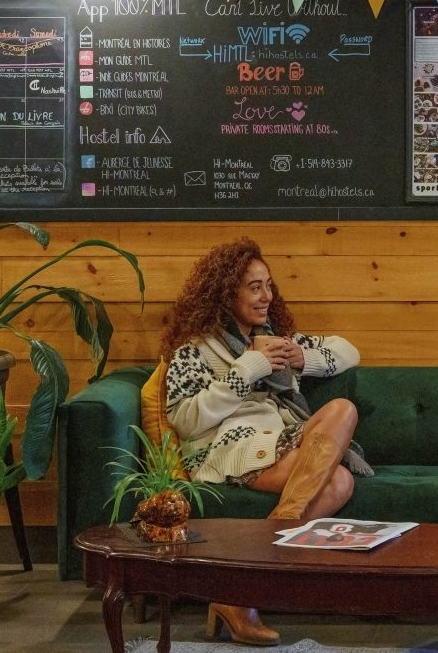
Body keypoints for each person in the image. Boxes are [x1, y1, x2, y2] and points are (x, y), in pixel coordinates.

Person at [161, 237, 361, 646]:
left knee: (342, 414)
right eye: (255, 287)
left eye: (269, 285)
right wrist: (244, 372)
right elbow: (184, 419)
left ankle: (240, 585)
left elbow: (348, 350)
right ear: (225, 293)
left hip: (279, 440)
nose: (267, 296)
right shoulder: (195, 350)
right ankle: (248, 584)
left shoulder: (274, 340)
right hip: (227, 447)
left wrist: (303, 358)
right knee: (338, 482)